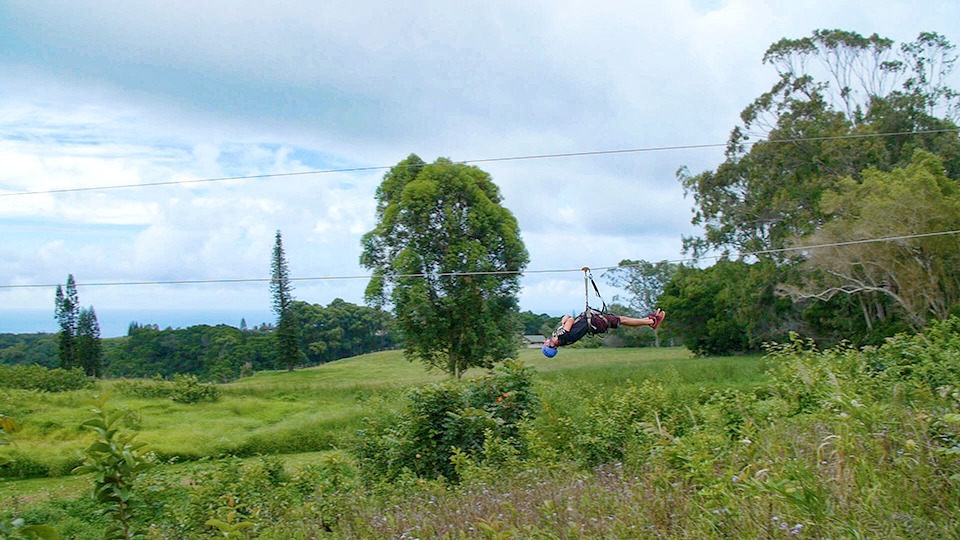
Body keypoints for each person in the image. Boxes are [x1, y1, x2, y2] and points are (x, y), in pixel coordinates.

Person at [541, 308, 665, 357]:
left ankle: (649, 320)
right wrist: (564, 323)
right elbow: (570, 319)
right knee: (623, 320)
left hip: (593, 322)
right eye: (545, 344)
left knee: (622, 319)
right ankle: (651, 322)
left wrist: (564, 322)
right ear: (551, 345)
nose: (544, 341)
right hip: (595, 323)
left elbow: (566, 316)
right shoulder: (562, 337)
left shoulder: (559, 337)